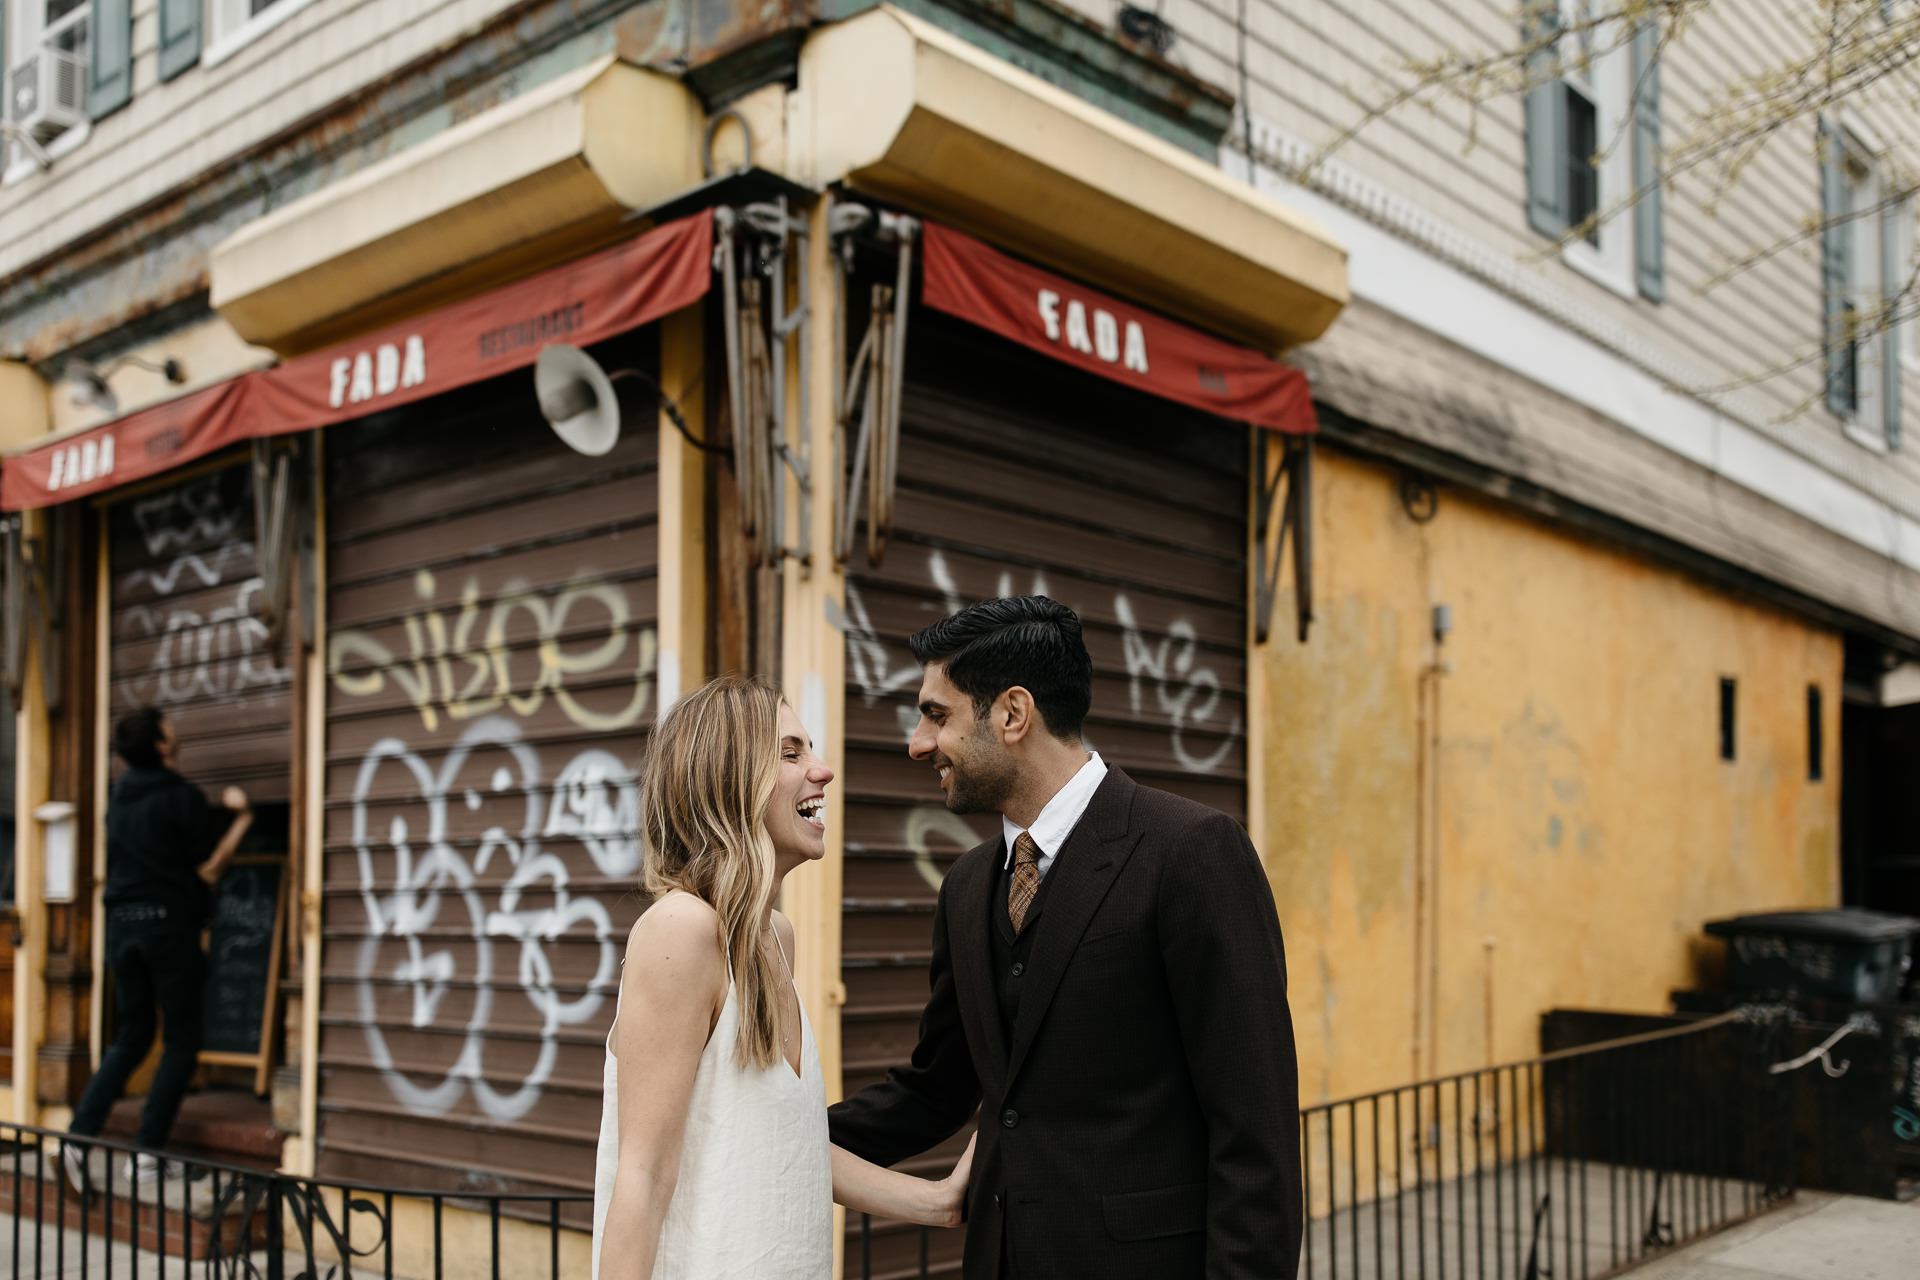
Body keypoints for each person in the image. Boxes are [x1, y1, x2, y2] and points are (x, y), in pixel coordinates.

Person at [828, 597, 1303, 1279]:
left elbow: (1256, 1131)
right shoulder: (966, 887)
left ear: (1013, 714)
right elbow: (935, 1089)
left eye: (937, 715)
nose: (917, 742)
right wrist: (772, 1128)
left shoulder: (1190, 852)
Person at [592, 674, 974, 1280]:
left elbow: (782, 1141)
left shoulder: (775, 937)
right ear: (727, 779)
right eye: (791, 753)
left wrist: (939, 1200)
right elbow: (642, 1177)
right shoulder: (683, 930)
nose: (823, 770)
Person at [65, 707, 253, 1188]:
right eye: (169, 728)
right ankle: (147, 1153)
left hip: (121, 928)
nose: (176, 731)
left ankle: (76, 1141)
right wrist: (243, 818)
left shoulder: (117, 798)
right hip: (168, 928)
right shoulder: (180, 797)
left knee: (132, 1036)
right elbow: (209, 870)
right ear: (161, 744)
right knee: (182, 1040)